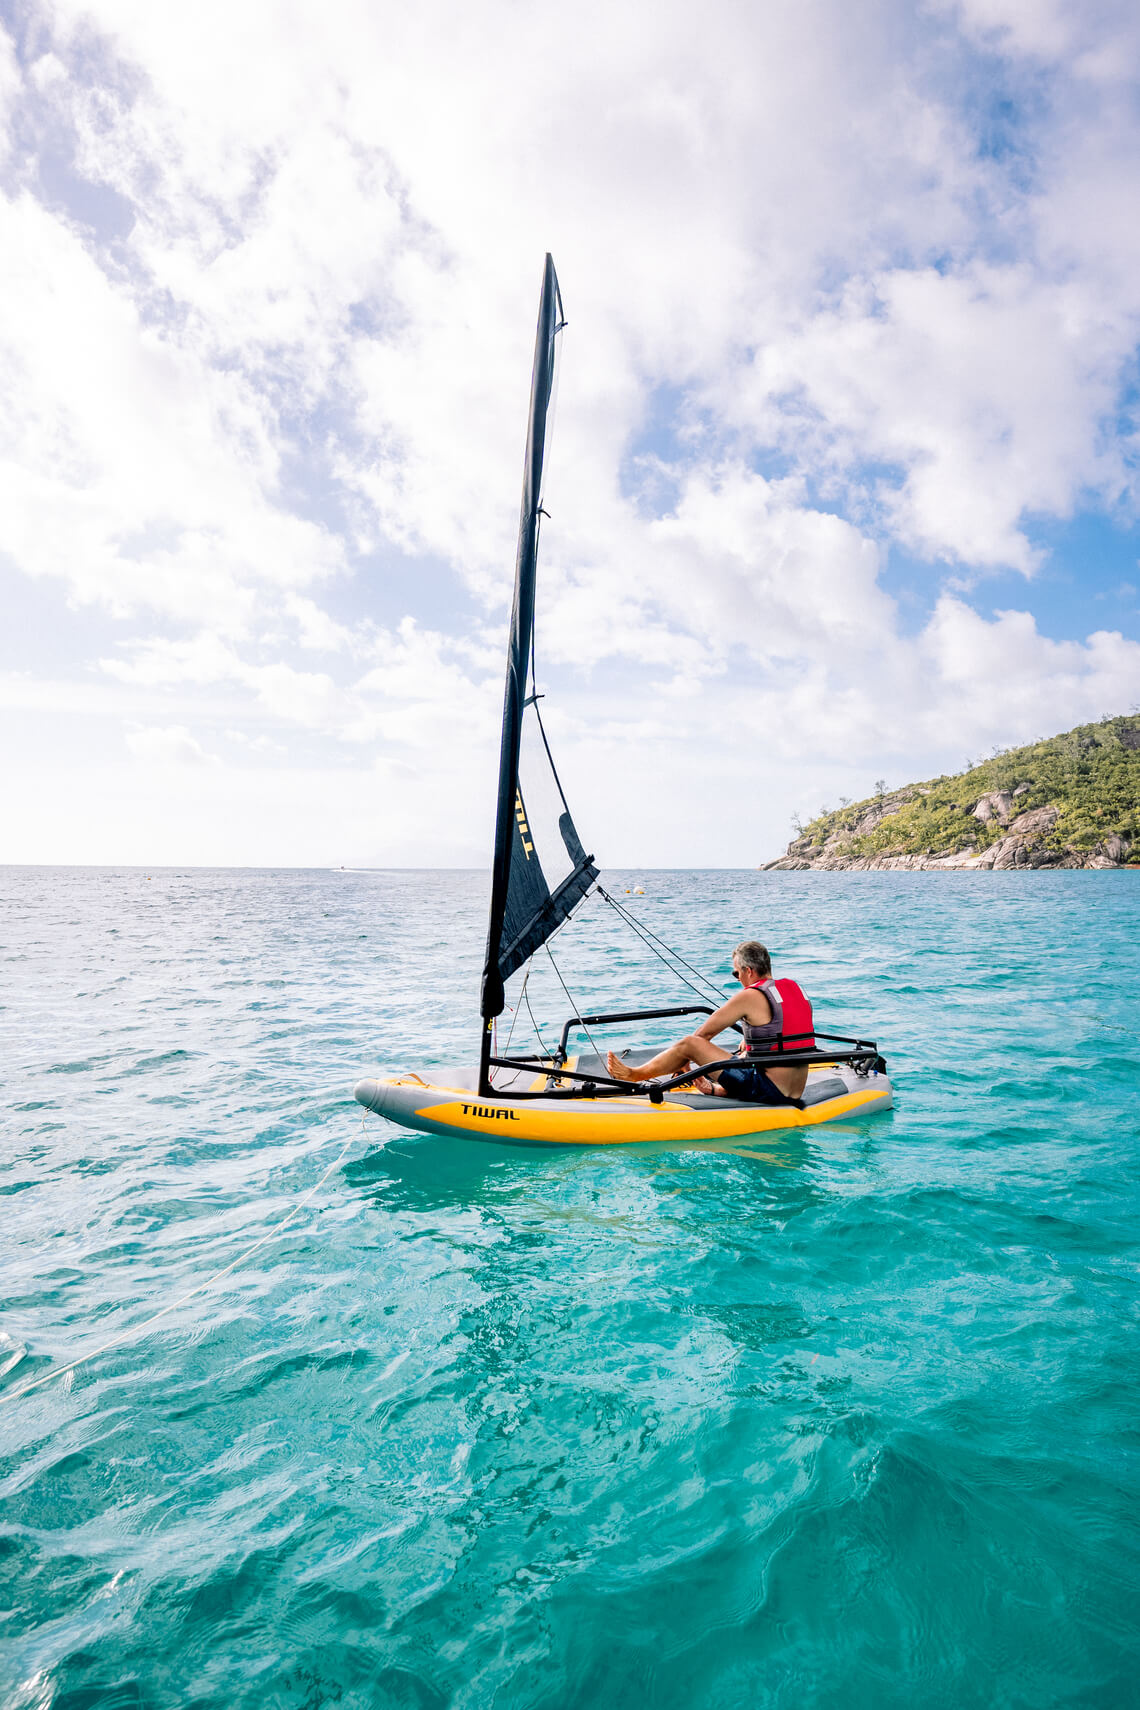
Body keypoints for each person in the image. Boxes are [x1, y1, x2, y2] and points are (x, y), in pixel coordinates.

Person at [605, 941, 815, 1105]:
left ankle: (634, 1074)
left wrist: (684, 1061)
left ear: (748, 971)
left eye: (736, 973)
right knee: (740, 1053)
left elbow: (701, 1036)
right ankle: (714, 1089)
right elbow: (781, 1029)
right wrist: (748, 1041)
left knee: (689, 1044)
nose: (738, 979)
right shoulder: (793, 989)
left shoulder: (750, 995)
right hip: (795, 1090)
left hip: (769, 1091)